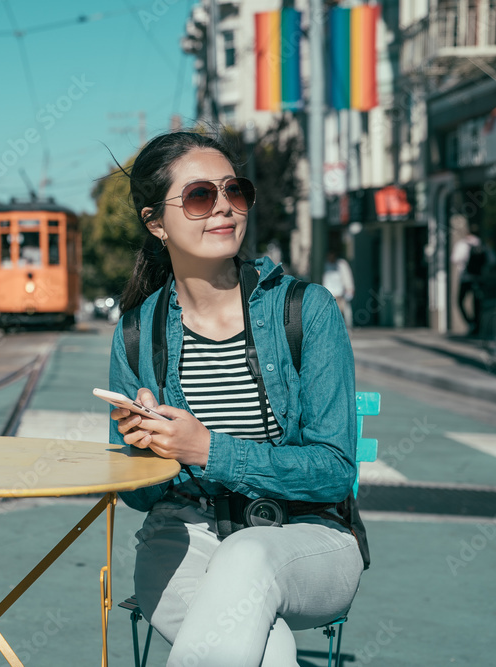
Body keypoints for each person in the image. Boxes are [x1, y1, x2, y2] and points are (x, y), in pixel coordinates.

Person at [108, 131, 363, 666]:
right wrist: (143, 451)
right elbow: (137, 498)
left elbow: (335, 471)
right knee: (268, 656)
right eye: (201, 196)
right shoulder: (137, 331)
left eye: (235, 191)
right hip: (183, 539)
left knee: (247, 555)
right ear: (156, 223)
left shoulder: (306, 310)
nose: (224, 206)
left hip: (307, 537)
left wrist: (207, 450)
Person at [451, 222, 491, 336]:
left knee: (459, 301)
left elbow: (455, 258)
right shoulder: (482, 244)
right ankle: (476, 325)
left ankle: (471, 323)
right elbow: (493, 260)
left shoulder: (463, 244)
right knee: (477, 303)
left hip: (466, 277)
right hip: (479, 278)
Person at [322, 248, 355, 329]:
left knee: (342, 313)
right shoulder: (325, 265)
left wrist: (350, 288)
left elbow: (347, 277)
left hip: (340, 294)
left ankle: (345, 329)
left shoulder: (341, 264)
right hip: (328, 294)